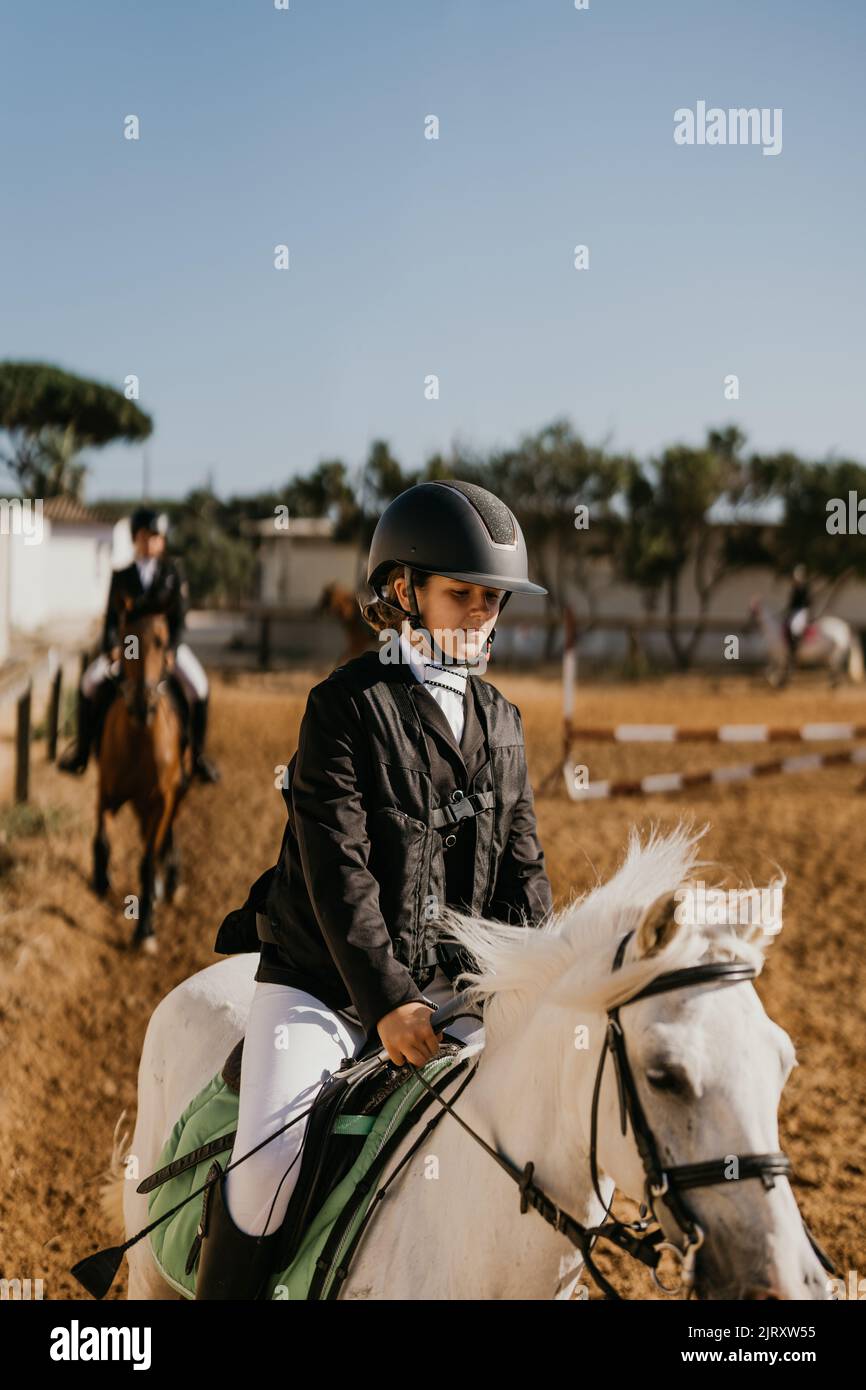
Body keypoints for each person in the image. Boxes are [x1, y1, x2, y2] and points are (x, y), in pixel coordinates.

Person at [197, 479, 554, 1298]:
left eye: (492, 599)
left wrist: (531, 991)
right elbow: (338, 874)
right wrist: (389, 1000)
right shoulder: (344, 709)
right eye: (461, 595)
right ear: (403, 592)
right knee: (266, 1177)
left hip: (452, 997)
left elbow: (524, 877)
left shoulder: (503, 722)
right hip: (326, 986)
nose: (482, 616)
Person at [58, 505, 220, 783]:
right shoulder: (122, 575)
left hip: (163, 647)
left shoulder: (172, 573)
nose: (150, 541)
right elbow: (110, 617)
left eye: (156, 537)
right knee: (88, 682)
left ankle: (198, 757)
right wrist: (111, 646)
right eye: (145, 536)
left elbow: (179, 618)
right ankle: (82, 752)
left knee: (200, 686)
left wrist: (171, 649)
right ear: (135, 538)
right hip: (130, 645)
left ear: (163, 540)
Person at [785, 564, 812, 654]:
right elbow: (792, 602)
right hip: (794, 611)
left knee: (794, 627)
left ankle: (796, 648)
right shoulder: (795, 588)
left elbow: (807, 601)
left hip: (801, 611)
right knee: (786, 624)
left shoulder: (804, 588)